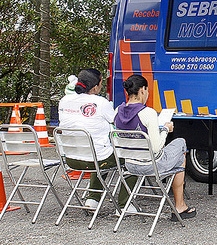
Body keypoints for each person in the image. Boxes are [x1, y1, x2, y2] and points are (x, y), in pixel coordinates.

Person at [113, 74, 196, 221]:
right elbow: (157, 147)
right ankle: (179, 205)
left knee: (177, 154)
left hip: (130, 165)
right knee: (181, 144)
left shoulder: (117, 112)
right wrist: (165, 129)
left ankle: (179, 204)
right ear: (143, 90)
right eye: (147, 90)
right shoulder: (148, 113)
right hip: (151, 165)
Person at [57, 69, 137, 212]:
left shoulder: (64, 100)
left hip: (71, 159)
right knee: (132, 157)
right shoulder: (100, 102)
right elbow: (117, 122)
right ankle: (125, 204)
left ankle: (92, 199)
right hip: (97, 159)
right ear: (95, 87)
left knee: (100, 151)